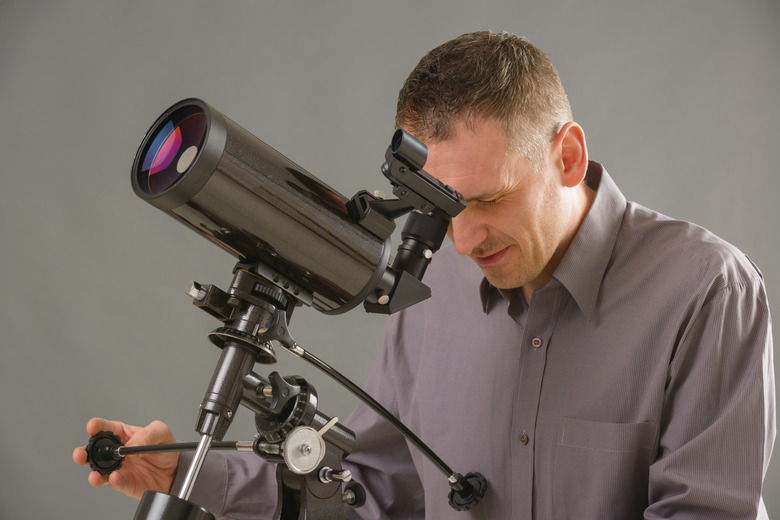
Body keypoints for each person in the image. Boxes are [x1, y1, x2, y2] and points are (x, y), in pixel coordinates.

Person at [74, 31, 775, 519]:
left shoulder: (706, 293)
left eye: (488, 200)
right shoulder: (430, 302)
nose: (463, 240)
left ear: (567, 155)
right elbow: (376, 494)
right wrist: (188, 473)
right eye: (438, 210)